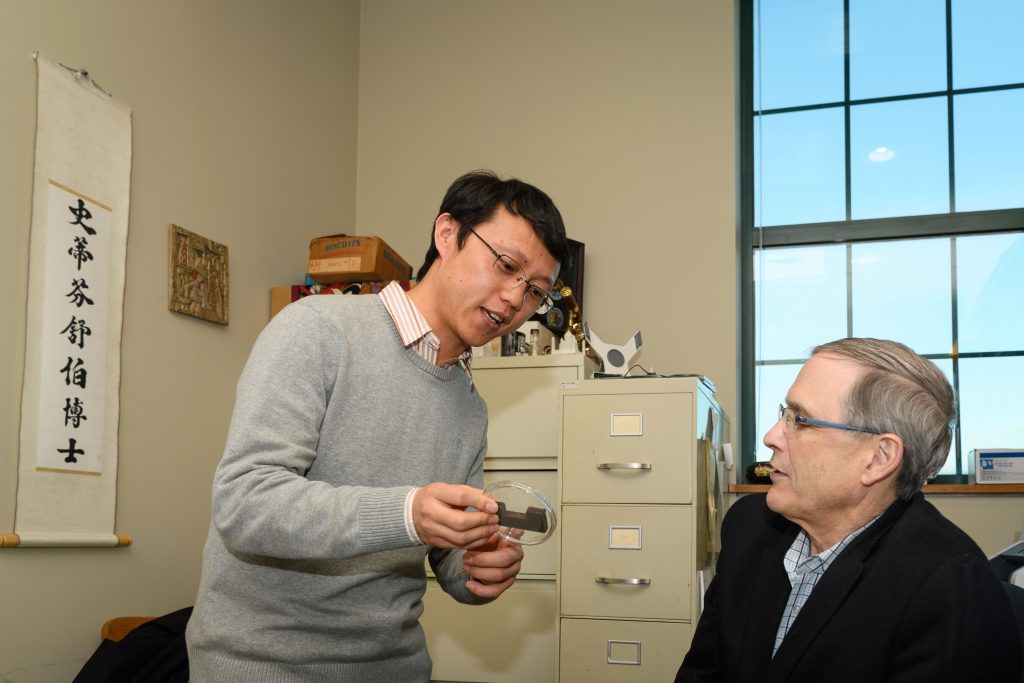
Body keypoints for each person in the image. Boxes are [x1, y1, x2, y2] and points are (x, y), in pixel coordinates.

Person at [186, 170, 570, 681]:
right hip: (264, 663)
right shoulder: (318, 330)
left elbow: (442, 552)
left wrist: (476, 567)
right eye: (505, 266)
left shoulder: (469, 407)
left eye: (534, 293)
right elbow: (245, 502)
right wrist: (407, 512)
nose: (512, 301)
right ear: (447, 234)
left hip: (396, 666)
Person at [676, 337, 1022, 682]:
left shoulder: (951, 591)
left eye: (801, 419)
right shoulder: (749, 526)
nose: (770, 436)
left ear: (878, 459)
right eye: (784, 413)